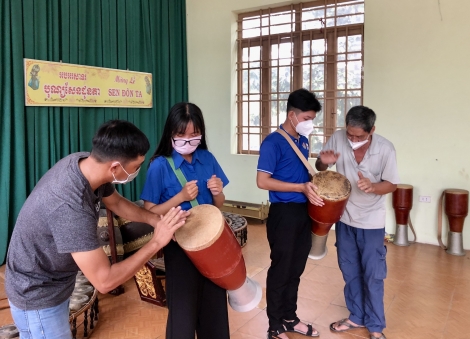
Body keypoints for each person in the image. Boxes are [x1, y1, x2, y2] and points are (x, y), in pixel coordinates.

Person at [5, 120, 189, 339]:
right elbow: (105, 281)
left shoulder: (87, 163)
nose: (137, 171)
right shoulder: (69, 205)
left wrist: (155, 221)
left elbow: (117, 204)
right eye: (136, 166)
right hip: (37, 294)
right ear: (114, 167)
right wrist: (157, 242)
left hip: (55, 281)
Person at [140, 102, 230, 339]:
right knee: (183, 309)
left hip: (211, 243)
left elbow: (218, 204)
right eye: (181, 135)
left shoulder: (207, 158)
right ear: (171, 133)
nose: (188, 140)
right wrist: (179, 197)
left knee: (214, 304)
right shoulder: (159, 165)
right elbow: (150, 211)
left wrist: (218, 191)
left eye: (194, 135)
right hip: (179, 246)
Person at [315, 106, 399, 339]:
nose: (353, 140)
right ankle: (356, 316)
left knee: (373, 274)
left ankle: (375, 326)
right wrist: (323, 162)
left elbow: (391, 184)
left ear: (372, 130)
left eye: (359, 137)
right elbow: (320, 167)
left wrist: (373, 186)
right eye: (350, 135)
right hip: (343, 217)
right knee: (350, 269)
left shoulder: (385, 149)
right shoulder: (338, 139)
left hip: (372, 221)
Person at [256, 88, 323, 339]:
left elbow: (304, 174)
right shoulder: (273, 142)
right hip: (283, 213)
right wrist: (299, 187)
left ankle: (290, 317)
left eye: (312, 119)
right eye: (307, 118)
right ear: (292, 115)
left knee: (296, 268)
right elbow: (262, 181)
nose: (310, 124)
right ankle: (274, 325)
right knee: (281, 269)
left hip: (303, 211)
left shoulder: (303, 141)